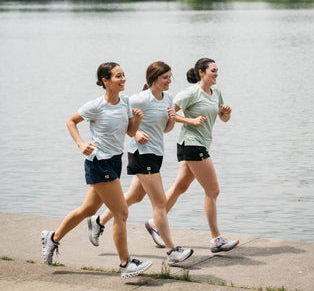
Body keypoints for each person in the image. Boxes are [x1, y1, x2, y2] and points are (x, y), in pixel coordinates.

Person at [41, 62, 152, 279]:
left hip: (115, 161)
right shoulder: (95, 106)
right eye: (118, 76)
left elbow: (130, 133)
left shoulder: (125, 103)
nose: (123, 79)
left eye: (124, 75)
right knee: (121, 212)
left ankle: (52, 238)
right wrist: (81, 144)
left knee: (88, 210)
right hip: (99, 162)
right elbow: (71, 122)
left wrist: (137, 121)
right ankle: (125, 264)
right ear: (105, 80)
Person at [86, 61, 194, 265]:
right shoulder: (140, 99)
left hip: (156, 153)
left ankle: (98, 221)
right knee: (160, 203)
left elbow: (166, 130)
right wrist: (137, 131)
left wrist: (172, 119)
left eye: (170, 76)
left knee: (134, 196)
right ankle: (172, 251)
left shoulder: (168, 98)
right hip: (141, 153)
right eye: (165, 77)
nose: (169, 81)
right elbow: (121, 114)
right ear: (153, 79)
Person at [145, 58, 239, 254]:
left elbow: (223, 118)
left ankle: (155, 223)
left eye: (217, 70)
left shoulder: (216, 92)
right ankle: (216, 239)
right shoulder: (190, 93)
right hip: (191, 144)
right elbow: (168, 113)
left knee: (181, 186)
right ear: (201, 72)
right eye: (213, 70)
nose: (216, 73)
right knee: (213, 191)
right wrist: (192, 121)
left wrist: (227, 113)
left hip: (201, 143)